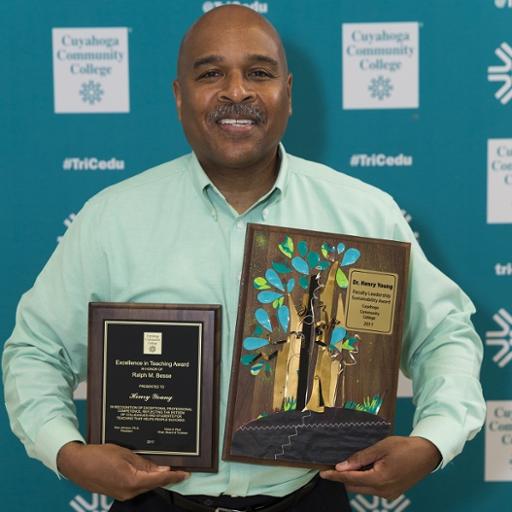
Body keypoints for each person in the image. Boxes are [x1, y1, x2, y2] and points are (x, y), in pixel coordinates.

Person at [2, 5, 485, 512]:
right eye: (211, 73)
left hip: (308, 500)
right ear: (178, 96)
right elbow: (36, 352)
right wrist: (66, 452)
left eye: (259, 73)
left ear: (289, 93)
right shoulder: (110, 219)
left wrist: (433, 442)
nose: (237, 91)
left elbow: (443, 335)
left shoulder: (362, 214)